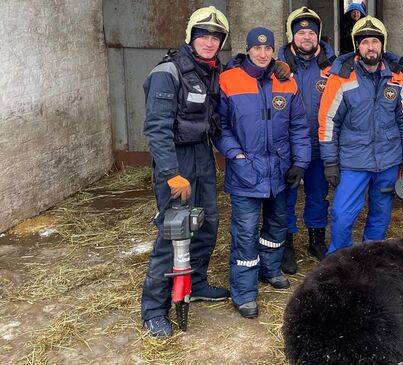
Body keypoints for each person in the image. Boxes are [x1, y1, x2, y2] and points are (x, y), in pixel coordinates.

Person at [141, 6, 230, 337]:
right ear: (191, 37)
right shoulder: (168, 73)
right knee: (173, 231)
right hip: (175, 159)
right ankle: (153, 308)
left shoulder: (211, 70)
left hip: (202, 154)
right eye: (203, 36)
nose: (209, 42)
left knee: (207, 222)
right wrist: (170, 173)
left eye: (216, 37)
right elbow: (157, 128)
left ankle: (196, 280)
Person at [215, 27, 310, 318]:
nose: (262, 53)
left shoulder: (286, 82)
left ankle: (270, 268)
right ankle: (244, 291)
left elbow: (299, 127)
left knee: (277, 224)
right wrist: (236, 154)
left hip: (279, 171)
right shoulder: (229, 80)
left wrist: (300, 163)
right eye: (257, 48)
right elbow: (220, 125)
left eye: (268, 48)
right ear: (248, 49)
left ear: (273, 51)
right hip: (246, 171)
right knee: (244, 232)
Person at [318, 16, 403, 256]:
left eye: (375, 41)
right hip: (353, 161)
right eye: (364, 42)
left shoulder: (396, 77)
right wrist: (330, 161)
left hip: (388, 161)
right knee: (342, 215)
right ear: (357, 47)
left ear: (382, 45)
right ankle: (338, 262)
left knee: (380, 215)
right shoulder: (341, 77)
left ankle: (371, 261)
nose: (370, 47)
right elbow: (328, 121)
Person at [278, 7, 337, 274]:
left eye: (311, 33)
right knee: (286, 196)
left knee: (317, 195)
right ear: (292, 35)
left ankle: (316, 240)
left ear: (318, 36)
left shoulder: (332, 64)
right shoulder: (275, 63)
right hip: (286, 146)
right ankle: (286, 243)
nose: (306, 37)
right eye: (300, 32)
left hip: (319, 144)